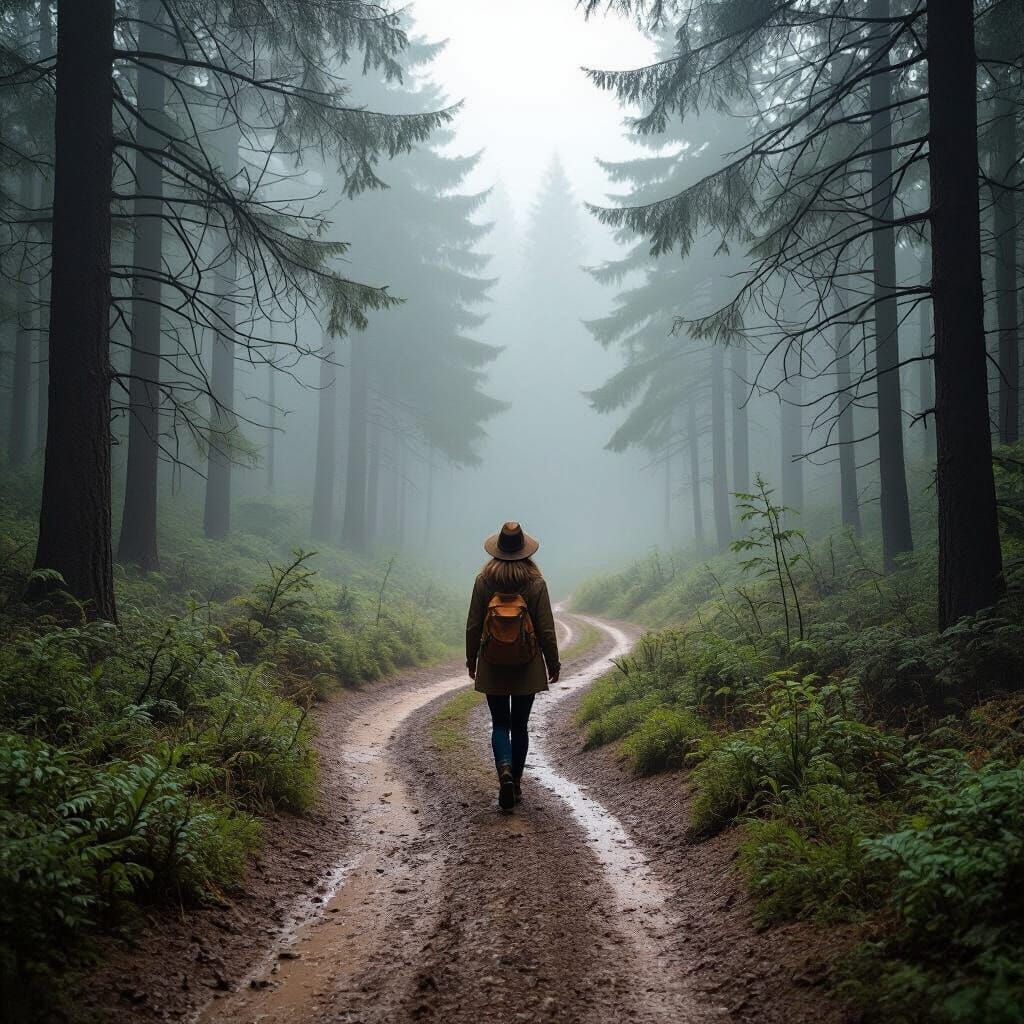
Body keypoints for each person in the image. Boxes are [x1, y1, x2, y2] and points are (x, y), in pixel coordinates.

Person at [465, 521, 560, 811]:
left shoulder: (484, 580)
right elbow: (546, 629)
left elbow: (473, 624)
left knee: (500, 723)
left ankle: (503, 769)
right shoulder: (535, 583)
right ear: (524, 550)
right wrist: (552, 661)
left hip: (492, 662)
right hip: (527, 663)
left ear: (498, 549)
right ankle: (516, 784)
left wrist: (472, 659)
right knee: (519, 726)